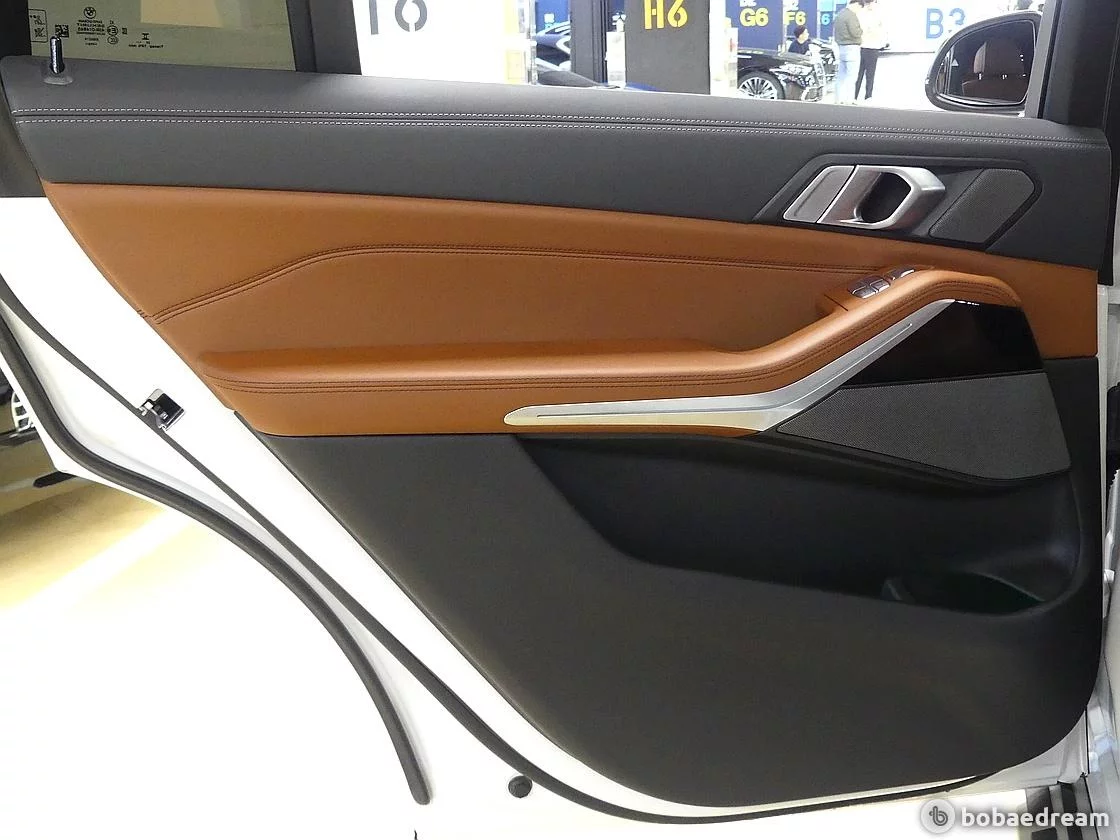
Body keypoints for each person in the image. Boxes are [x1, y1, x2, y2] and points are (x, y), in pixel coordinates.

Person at [854, 0, 887, 100]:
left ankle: (868, 95)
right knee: (859, 73)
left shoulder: (878, 13)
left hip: (873, 47)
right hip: (861, 46)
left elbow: (881, 30)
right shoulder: (860, 13)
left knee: (870, 74)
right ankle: (855, 95)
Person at [833, 0, 863, 103]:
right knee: (852, 76)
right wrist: (862, 30)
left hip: (841, 47)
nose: (858, 11)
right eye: (859, 8)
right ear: (856, 4)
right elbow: (855, 32)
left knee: (841, 76)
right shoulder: (851, 16)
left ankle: (838, 99)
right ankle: (849, 99)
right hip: (852, 48)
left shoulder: (839, 14)